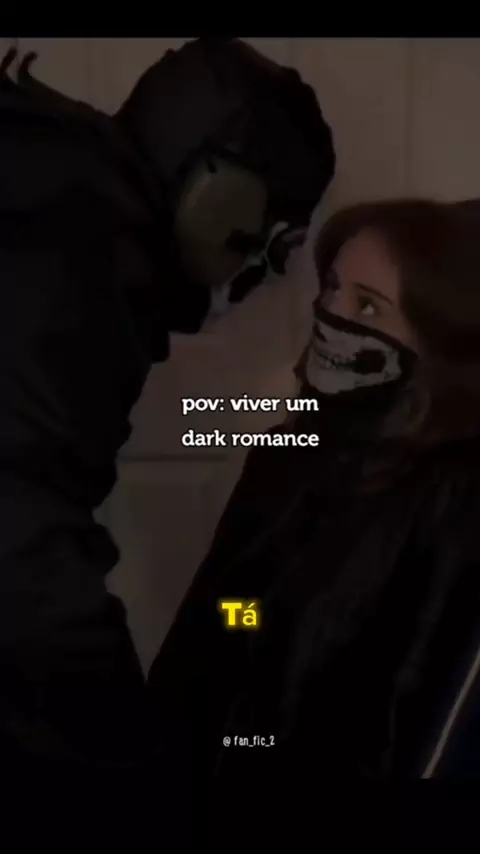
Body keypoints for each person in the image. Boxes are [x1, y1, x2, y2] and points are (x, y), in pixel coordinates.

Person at [0, 38, 334, 780]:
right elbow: (24, 545)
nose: (258, 273)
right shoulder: (78, 265)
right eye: (269, 242)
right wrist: (123, 742)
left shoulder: (50, 202)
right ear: (222, 201)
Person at [148, 198, 480, 788]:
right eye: (332, 289)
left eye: (367, 306)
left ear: (431, 337)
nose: (330, 314)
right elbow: (218, 616)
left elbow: (411, 707)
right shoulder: (287, 453)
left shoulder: (451, 499)